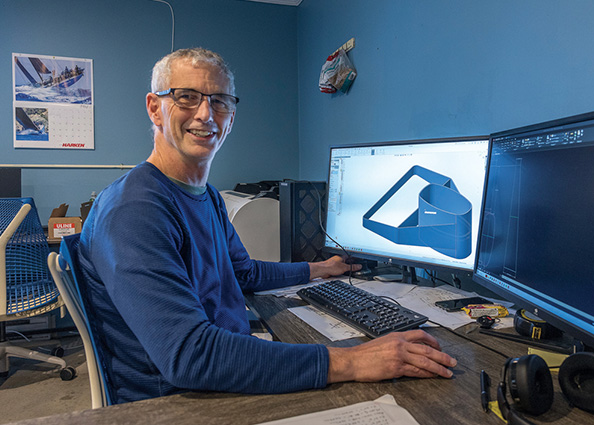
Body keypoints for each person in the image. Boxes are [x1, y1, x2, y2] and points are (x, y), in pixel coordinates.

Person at [76, 47, 457, 404]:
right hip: (179, 398)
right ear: (155, 109)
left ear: (232, 116)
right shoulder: (136, 210)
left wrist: (318, 270)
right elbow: (190, 355)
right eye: (187, 97)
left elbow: (242, 273)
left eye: (220, 101)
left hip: (215, 371)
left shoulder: (203, 196)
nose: (206, 115)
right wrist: (352, 360)